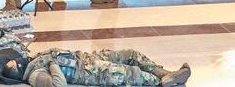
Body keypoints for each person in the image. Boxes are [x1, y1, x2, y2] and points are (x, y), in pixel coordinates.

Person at [25, 48, 190, 87]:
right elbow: (57, 85)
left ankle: (164, 73)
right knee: (130, 73)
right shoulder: (33, 74)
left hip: (88, 57)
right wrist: (52, 63)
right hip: (89, 71)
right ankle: (162, 82)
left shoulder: (32, 59)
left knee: (131, 54)